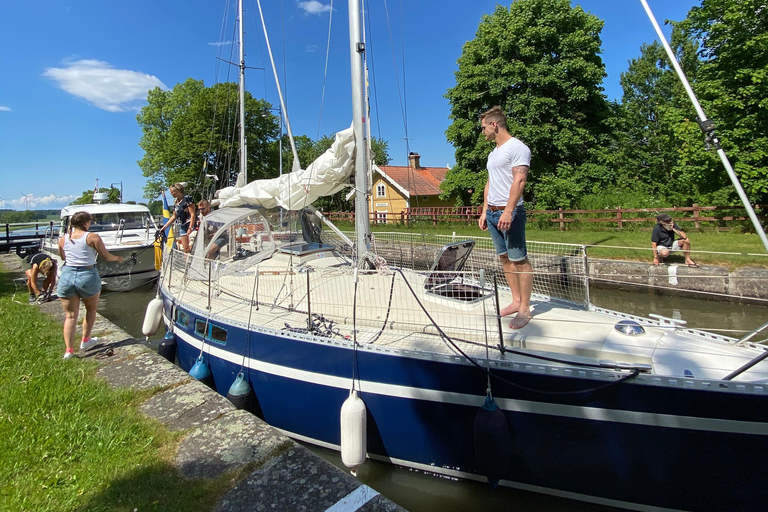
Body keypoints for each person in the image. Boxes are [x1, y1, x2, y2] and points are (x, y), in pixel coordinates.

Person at [477, 106, 533, 329]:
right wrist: (483, 211)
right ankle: (516, 300)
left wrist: (509, 210)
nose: (482, 133)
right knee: (505, 258)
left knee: (520, 260)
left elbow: (519, 181)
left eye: (483, 128)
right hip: (492, 212)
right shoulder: (494, 152)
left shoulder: (517, 148)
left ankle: (525, 309)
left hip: (510, 212)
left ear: (494, 125)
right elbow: (490, 183)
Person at [57, 211, 124, 359]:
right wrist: (118, 258)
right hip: (87, 275)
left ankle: (69, 351)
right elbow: (106, 256)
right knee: (91, 310)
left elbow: (63, 257)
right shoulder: (92, 237)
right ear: (85, 223)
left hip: (67, 276)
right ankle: (85, 340)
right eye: (89, 222)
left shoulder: (63, 239)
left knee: (70, 316)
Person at [158, 183, 196, 253]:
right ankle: (187, 263)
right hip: (182, 226)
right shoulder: (176, 202)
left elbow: (193, 214)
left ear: (178, 191)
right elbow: (174, 216)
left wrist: (190, 228)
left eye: (172, 192)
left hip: (190, 225)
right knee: (185, 248)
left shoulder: (188, 199)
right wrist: (164, 227)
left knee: (192, 247)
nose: (171, 194)